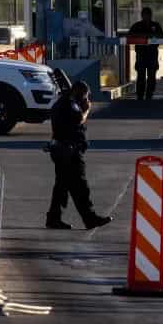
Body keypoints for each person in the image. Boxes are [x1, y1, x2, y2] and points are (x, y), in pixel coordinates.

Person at [46, 81, 113, 230]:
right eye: (85, 96)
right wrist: (87, 110)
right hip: (70, 152)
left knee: (62, 187)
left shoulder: (61, 103)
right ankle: (90, 218)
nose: (85, 99)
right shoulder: (70, 105)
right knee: (80, 187)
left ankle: (54, 218)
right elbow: (78, 120)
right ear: (80, 93)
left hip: (60, 150)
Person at [128, 7, 163, 101]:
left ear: (151, 15)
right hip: (141, 54)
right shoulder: (137, 25)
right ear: (142, 15)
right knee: (141, 75)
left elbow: (161, 36)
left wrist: (151, 36)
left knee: (152, 75)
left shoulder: (156, 25)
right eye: (145, 15)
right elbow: (130, 35)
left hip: (152, 54)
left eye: (148, 14)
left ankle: (149, 94)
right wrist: (144, 36)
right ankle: (140, 95)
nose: (147, 16)